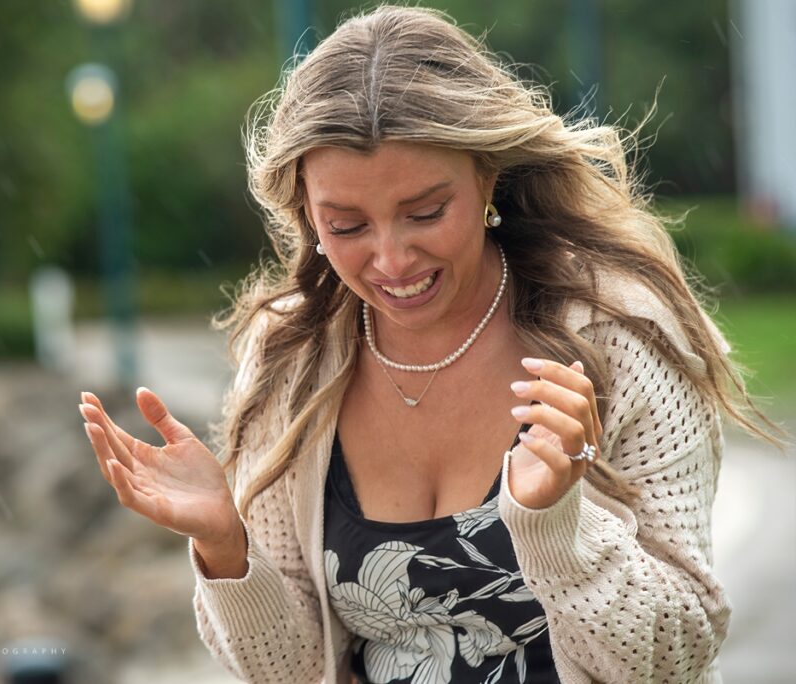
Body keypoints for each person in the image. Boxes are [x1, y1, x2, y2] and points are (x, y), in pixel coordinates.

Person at [79, 6, 776, 683]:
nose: (391, 259)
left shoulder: (620, 334)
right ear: (307, 214)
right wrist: (224, 546)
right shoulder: (291, 358)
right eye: (346, 226)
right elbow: (289, 670)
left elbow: (676, 658)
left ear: (486, 176)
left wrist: (560, 528)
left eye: (425, 212)